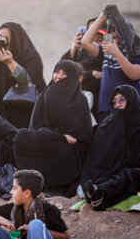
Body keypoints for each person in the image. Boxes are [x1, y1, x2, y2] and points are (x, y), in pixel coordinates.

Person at [13, 60, 93, 197]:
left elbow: (83, 136)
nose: (59, 76)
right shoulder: (46, 94)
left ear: (73, 77)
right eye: (57, 72)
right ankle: (36, 182)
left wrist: (63, 139)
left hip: (68, 148)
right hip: (48, 140)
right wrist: (59, 136)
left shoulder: (80, 99)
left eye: (64, 74)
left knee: (68, 149)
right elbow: (36, 128)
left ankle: (57, 185)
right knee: (21, 136)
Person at [81, 85, 140, 211]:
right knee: (109, 171)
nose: (117, 105)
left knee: (127, 176)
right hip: (124, 165)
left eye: (121, 100)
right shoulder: (119, 120)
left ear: (132, 100)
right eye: (114, 102)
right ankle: (96, 193)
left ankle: (101, 194)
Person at [81, 5, 140, 122]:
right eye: (112, 38)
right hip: (105, 109)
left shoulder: (139, 54)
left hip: (128, 110)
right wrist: (102, 17)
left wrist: (117, 53)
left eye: (118, 38)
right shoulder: (107, 52)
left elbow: (134, 74)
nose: (115, 42)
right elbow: (85, 42)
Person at [0, 22, 46, 129]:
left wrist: (10, 63)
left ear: (15, 39)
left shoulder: (31, 56)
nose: (2, 40)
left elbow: (28, 82)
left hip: (24, 116)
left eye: (5, 38)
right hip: (1, 115)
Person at [0, 169, 70, 239]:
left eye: (15, 188)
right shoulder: (13, 208)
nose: (11, 192)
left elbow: (66, 236)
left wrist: (33, 229)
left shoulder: (48, 209)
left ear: (27, 193)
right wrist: (0, 219)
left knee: (35, 224)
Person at [61, 18, 107, 121]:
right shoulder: (79, 51)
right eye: (91, 38)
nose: (94, 42)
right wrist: (73, 50)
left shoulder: (107, 54)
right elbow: (62, 74)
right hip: (73, 104)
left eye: (99, 40)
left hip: (97, 107)